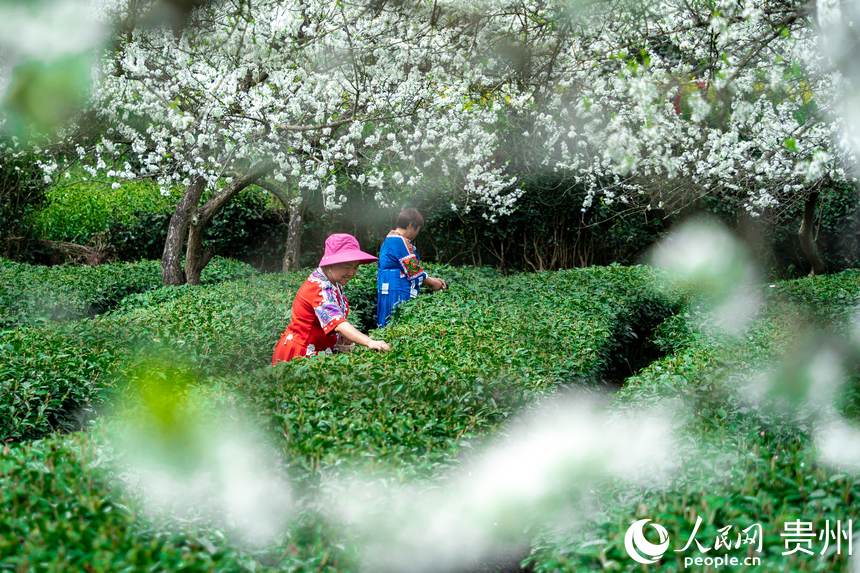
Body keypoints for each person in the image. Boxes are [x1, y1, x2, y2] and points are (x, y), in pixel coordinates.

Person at [272, 233, 391, 365]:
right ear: (330, 264)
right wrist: (369, 342)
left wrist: (341, 340)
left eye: (355, 267)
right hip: (299, 355)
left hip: (318, 354)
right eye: (347, 266)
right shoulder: (319, 287)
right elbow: (338, 323)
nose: (352, 272)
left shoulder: (334, 283)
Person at [376, 208, 447, 327]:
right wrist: (434, 282)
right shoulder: (399, 241)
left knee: (387, 323)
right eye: (417, 229)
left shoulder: (389, 239)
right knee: (398, 324)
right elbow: (413, 271)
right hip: (397, 290)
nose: (416, 234)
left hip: (387, 288)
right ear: (410, 225)